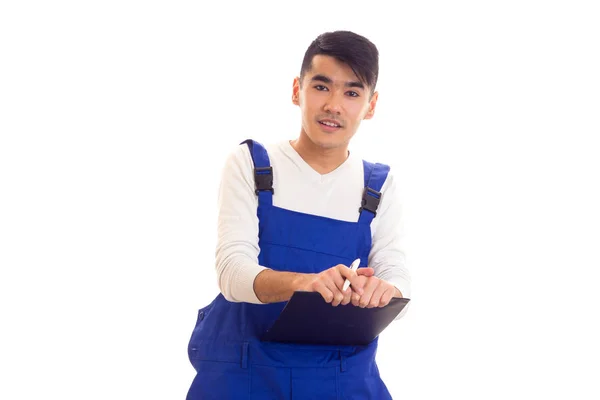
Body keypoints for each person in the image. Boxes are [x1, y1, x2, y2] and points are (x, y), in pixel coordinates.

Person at [186, 30, 411, 399]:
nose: (334, 105)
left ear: (370, 106)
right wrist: (305, 284)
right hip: (243, 377)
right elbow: (232, 271)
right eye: (321, 87)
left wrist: (385, 291)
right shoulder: (253, 165)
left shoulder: (378, 187)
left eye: (352, 93)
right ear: (297, 90)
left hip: (340, 380)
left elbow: (395, 272)